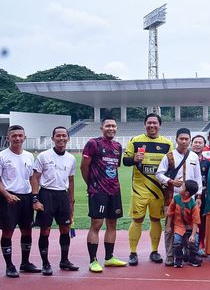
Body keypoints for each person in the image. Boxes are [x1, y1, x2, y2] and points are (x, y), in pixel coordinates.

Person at [123, 113, 173, 266]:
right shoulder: (135, 141)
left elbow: (171, 166)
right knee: (137, 219)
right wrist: (134, 159)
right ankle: (132, 252)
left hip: (158, 190)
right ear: (145, 124)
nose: (152, 126)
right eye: (149, 123)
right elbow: (125, 161)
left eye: (155, 123)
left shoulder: (167, 143)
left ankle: (154, 251)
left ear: (159, 125)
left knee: (155, 219)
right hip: (139, 189)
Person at [80, 118, 127, 273]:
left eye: (113, 126)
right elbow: (84, 167)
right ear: (102, 128)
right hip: (98, 191)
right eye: (108, 125)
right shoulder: (93, 143)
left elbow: (114, 168)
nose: (111, 128)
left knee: (112, 224)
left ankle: (109, 258)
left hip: (114, 190)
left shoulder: (118, 146)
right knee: (97, 224)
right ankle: (93, 260)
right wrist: (91, 185)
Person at [30, 126, 77, 275]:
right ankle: (45, 263)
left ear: (68, 138)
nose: (61, 138)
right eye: (58, 136)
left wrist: (71, 202)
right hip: (46, 195)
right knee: (45, 230)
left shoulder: (71, 158)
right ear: (53, 138)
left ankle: (64, 261)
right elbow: (35, 178)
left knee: (65, 229)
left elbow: (71, 181)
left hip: (62, 196)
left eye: (64, 136)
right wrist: (35, 198)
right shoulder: (43, 156)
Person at [156, 128, 203, 266]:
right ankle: (171, 256)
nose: (183, 141)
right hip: (172, 197)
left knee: (188, 226)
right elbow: (159, 174)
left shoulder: (194, 156)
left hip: (190, 199)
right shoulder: (169, 156)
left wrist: (198, 195)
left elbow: (198, 178)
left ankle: (188, 254)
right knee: (170, 226)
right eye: (181, 138)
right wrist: (171, 181)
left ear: (190, 140)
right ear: (176, 139)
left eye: (186, 139)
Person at [1, 125, 38, 277]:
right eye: (14, 135)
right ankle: (9, 265)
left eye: (20, 135)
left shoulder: (29, 156)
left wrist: (34, 197)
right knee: (8, 231)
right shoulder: (2, 156)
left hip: (26, 197)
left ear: (24, 137)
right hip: (8, 197)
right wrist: (6, 195)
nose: (17, 138)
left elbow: (32, 178)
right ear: (8, 138)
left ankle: (25, 263)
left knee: (27, 230)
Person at [165, 180, 201, 268]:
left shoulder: (193, 205)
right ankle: (178, 259)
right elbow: (170, 213)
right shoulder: (176, 199)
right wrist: (168, 225)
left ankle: (193, 258)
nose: (179, 188)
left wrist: (193, 235)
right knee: (177, 242)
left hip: (191, 227)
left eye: (182, 187)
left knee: (194, 242)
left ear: (186, 193)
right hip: (179, 226)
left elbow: (195, 221)